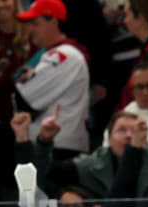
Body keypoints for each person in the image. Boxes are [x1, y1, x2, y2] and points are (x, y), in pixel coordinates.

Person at [11, 0, 90, 152]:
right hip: (52, 144)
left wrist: (20, 87)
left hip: (59, 147)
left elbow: (22, 100)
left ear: (53, 21)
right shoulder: (54, 53)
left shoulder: (64, 54)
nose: (30, 29)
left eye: (35, 23)